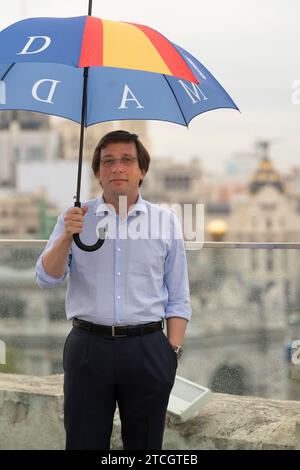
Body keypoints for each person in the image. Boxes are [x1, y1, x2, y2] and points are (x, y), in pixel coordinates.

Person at [35, 130, 191, 450]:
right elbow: (46, 277)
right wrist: (67, 235)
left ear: (141, 170)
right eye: (108, 161)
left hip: (147, 349)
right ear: (97, 172)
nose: (117, 168)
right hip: (88, 349)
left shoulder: (165, 221)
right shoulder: (77, 217)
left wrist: (170, 353)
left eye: (126, 160)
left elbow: (178, 297)